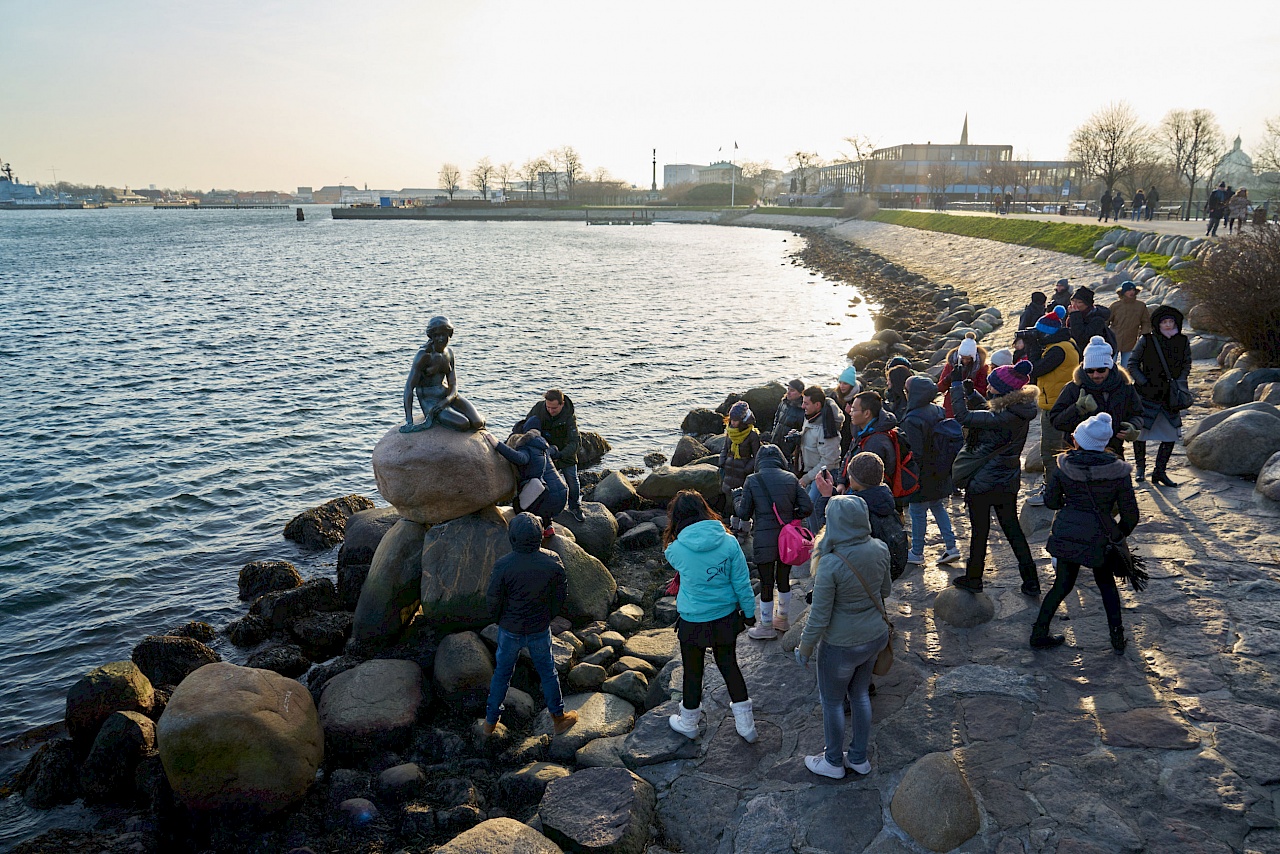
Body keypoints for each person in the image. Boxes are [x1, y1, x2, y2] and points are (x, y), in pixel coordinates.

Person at [794, 493, 891, 779]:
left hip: (841, 645)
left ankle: (834, 762)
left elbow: (819, 616)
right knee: (860, 695)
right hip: (875, 636)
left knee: (833, 702)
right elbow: (884, 592)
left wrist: (804, 648)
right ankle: (859, 758)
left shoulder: (830, 562)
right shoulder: (880, 548)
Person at [1029, 413, 1139, 653]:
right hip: (1101, 536)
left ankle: (1039, 633)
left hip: (1068, 531)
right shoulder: (1119, 472)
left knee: (1062, 585)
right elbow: (1131, 516)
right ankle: (1117, 640)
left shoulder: (1062, 466)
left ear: (1077, 440)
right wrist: (1116, 535)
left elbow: (1052, 503)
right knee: (1107, 586)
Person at [663, 491, 759, 743]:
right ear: (705, 510)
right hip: (725, 618)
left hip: (692, 621)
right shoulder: (729, 543)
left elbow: (673, 558)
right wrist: (749, 614)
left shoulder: (676, 550)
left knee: (692, 673)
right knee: (729, 666)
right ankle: (746, 726)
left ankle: (689, 722)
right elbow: (742, 582)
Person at [948, 363, 1042, 595]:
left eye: (991, 384)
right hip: (1007, 480)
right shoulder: (1019, 410)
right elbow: (990, 412)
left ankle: (974, 578)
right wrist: (973, 393)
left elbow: (964, 416)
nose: (987, 385)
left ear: (1002, 391)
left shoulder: (1004, 417)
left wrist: (957, 385)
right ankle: (1031, 581)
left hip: (983, 482)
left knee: (980, 532)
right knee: (1013, 530)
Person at [483, 512, 577, 736]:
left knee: (502, 675)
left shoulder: (503, 565)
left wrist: (501, 620)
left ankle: (489, 723)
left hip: (510, 629)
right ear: (540, 536)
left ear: (512, 539)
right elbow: (560, 597)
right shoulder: (552, 560)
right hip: (538, 628)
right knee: (547, 672)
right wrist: (547, 617)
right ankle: (559, 717)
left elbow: (492, 600)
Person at [735, 444, 814, 639]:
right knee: (784, 579)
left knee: (766, 582)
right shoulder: (791, 479)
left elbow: (743, 513)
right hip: (787, 540)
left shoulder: (753, 480)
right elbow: (807, 507)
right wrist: (790, 517)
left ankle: (766, 626)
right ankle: (783, 619)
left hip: (763, 538)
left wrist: (737, 497)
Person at [1050, 336, 1144, 459]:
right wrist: (1077, 409)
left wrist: (1133, 427)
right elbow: (1056, 421)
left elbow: (1138, 413)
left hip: (1113, 452)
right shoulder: (1074, 387)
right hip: (1078, 455)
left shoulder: (1124, 386)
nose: (1095, 375)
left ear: (1109, 367)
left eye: (1101, 370)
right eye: (1090, 371)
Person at [901, 376, 961, 566]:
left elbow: (916, 452)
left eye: (906, 389)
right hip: (941, 469)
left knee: (917, 510)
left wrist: (909, 476)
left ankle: (917, 552)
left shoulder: (912, 419)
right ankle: (951, 547)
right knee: (937, 506)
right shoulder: (938, 410)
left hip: (923, 473)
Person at [1128, 306, 1192, 486]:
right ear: (1158, 324)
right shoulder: (1147, 340)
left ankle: (1159, 471)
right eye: (1164, 322)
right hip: (1146, 395)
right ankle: (1140, 469)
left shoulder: (1182, 341)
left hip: (1169, 397)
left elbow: (1187, 362)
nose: (1168, 325)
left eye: (1171, 322)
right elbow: (1133, 363)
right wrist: (1143, 382)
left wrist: (1180, 380)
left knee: (1170, 434)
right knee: (1140, 433)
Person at [1027, 311, 1080, 505]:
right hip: (1061, 402)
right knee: (1062, 449)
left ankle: (1051, 492)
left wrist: (1032, 347)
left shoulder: (1057, 350)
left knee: (1050, 451)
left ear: (1046, 334)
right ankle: (1060, 488)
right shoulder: (1067, 343)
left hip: (1055, 405)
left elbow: (1035, 369)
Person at [401, 316, 486, 433]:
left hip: (447, 396)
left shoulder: (449, 353)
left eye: (444, 335)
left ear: (449, 334)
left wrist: (447, 400)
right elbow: (408, 388)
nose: (440, 339)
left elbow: (453, 384)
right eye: (436, 335)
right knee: (463, 424)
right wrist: (409, 421)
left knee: (478, 422)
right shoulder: (424, 356)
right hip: (430, 400)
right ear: (431, 336)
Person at [488, 425, 568, 534]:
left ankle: (526, 531)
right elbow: (554, 449)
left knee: (519, 507)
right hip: (563, 496)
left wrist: (497, 444)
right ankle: (548, 527)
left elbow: (519, 458)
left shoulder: (525, 450)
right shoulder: (544, 450)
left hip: (548, 496)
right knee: (544, 497)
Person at [523, 390, 585, 521]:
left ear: (562, 404)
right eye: (548, 407)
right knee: (539, 482)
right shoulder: (539, 408)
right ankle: (540, 509)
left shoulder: (569, 416)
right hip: (544, 450)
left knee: (572, 481)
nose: (550, 410)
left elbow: (576, 442)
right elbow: (527, 424)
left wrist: (561, 455)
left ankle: (575, 506)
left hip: (565, 452)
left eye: (554, 408)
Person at [795, 386, 844, 534]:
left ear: (817, 405)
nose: (802, 406)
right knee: (807, 505)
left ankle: (820, 539)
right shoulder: (811, 418)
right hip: (811, 471)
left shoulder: (827, 427)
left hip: (824, 474)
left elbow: (828, 461)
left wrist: (806, 478)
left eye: (806, 403)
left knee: (813, 506)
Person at [843, 391, 901, 495]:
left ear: (866, 413)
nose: (850, 413)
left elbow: (867, 481)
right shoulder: (861, 432)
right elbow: (848, 456)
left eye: (854, 410)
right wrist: (841, 482)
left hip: (867, 497)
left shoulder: (876, 442)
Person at [720, 401, 762, 534]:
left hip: (743, 473)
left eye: (736, 420)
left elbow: (757, 456)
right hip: (730, 470)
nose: (733, 423)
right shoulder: (730, 432)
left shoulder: (752, 435)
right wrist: (722, 462)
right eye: (731, 420)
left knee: (744, 501)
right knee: (730, 501)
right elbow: (725, 448)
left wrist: (746, 468)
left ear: (743, 420)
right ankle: (733, 525)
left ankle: (744, 528)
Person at [936, 333, 989, 418]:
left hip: (971, 406)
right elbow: (940, 388)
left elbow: (983, 390)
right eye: (962, 358)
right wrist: (949, 378)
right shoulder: (950, 365)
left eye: (968, 359)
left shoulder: (982, 368)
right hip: (951, 404)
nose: (965, 361)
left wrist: (968, 388)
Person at [1106, 281, 1152, 368]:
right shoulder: (1115, 306)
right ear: (1123, 292)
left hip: (1131, 340)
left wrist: (1144, 335)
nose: (1131, 292)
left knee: (1127, 367)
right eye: (1128, 290)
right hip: (1114, 340)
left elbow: (1146, 322)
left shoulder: (1141, 306)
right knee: (1110, 366)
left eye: (1133, 290)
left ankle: (1126, 381)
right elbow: (1106, 321)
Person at [1066, 287, 1117, 357]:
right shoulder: (1074, 314)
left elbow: (1080, 337)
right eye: (1073, 301)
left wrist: (1075, 315)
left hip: (1092, 356)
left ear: (1087, 304)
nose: (1074, 305)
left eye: (1079, 302)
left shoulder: (1097, 319)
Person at [771, 379, 808, 461]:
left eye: (792, 390)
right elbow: (776, 419)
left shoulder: (803, 409)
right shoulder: (783, 403)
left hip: (789, 449)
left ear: (800, 393)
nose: (788, 392)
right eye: (788, 389)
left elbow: (803, 431)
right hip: (776, 442)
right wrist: (773, 432)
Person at [830, 366, 861, 456]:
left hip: (851, 433)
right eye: (840, 382)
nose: (842, 386)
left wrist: (851, 413)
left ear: (851, 384)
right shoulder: (835, 395)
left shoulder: (859, 397)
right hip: (838, 432)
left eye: (845, 384)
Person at [883, 356, 913, 423]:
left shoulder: (904, 403)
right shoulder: (913, 391)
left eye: (889, 380)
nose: (887, 383)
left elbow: (896, 421)